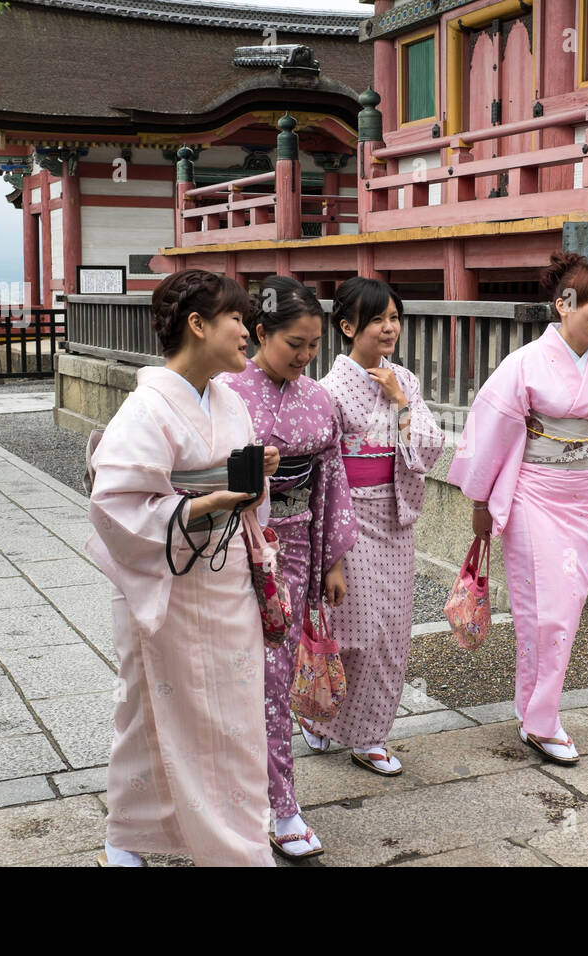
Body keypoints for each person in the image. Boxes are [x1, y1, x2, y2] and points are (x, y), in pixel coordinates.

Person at [86, 268, 280, 867]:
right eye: (237, 320)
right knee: (150, 711)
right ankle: (130, 840)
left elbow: (241, 497)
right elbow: (115, 505)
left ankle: (233, 842)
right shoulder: (147, 408)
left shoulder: (229, 401)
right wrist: (201, 504)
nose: (249, 332)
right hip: (165, 583)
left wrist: (253, 480)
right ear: (198, 325)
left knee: (235, 720)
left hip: (222, 579)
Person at [447, 251, 588, 765]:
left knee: (567, 608)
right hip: (534, 491)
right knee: (546, 611)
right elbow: (490, 430)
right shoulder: (525, 363)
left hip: (584, 493)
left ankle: (536, 713)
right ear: (562, 304)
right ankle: (542, 720)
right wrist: (481, 501)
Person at [219, 275, 358, 860]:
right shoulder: (225, 391)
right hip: (232, 546)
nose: (305, 357)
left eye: (312, 345)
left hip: (295, 547)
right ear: (259, 333)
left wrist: (332, 557)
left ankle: (282, 805)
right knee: (229, 674)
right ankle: (228, 799)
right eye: (293, 344)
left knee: (275, 678)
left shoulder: (320, 399)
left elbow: (330, 479)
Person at [307, 277, 444, 775]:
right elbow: (325, 470)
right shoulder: (328, 390)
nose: (390, 329)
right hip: (350, 517)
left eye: (394, 318)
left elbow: (429, 448)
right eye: (378, 320)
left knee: (391, 635)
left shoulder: (403, 380)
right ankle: (321, 715)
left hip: (394, 516)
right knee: (352, 631)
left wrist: (402, 403)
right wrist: (332, 550)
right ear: (347, 327)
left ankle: (371, 736)